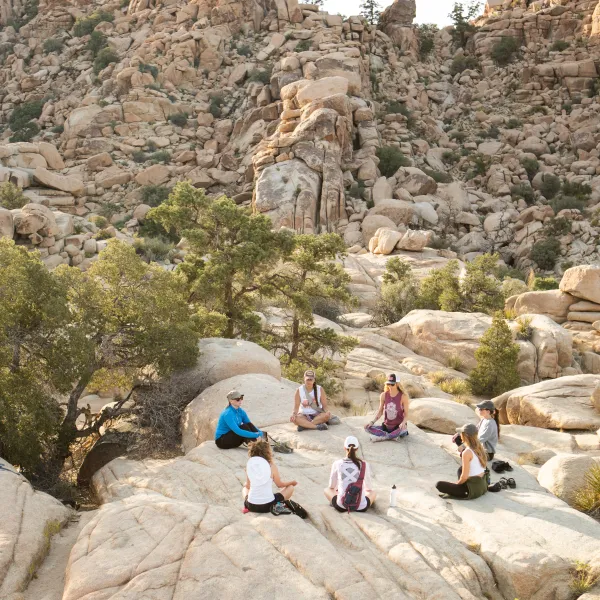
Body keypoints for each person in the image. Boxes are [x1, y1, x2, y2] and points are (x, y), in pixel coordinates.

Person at [243, 437, 297, 514]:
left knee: (244, 489)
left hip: (251, 505)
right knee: (290, 488)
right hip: (268, 506)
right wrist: (292, 482)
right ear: (267, 452)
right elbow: (280, 485)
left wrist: (245, 484)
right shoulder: (271, 466)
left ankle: (246, 507)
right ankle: (278, 506)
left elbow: (248, 486)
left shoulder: (250, 465)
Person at [436, 423, 488, 500]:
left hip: (471, 490)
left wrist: (457, 484)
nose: (460, 435)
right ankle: (463, 487)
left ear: (465, 436)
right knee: (461, 469)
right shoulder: (480, 447)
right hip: (482, 485)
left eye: (461, 433)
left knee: (439, 485)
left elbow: (464, 477)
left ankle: (462, 488)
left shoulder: (467, 452)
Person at [324, 436, 376, 512]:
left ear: (344, 448)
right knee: (373, 492)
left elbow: (331, 486)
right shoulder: (364, 464)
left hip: (341, 506)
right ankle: (360, 502)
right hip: (361, 507)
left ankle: (338, 501)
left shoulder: (337, 463)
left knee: (327, 489)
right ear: (357, 448)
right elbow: (369, 487)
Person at [364, 373, 409, 441]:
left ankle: (383, 437)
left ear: (397, 384)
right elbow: (380, 412)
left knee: (403, 430)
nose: (390, 386)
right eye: (388, 384)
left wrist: (403, 423)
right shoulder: (383, 395)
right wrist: (372, 422)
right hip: (386, 427)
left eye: (392, 384)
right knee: (367, 428)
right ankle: (391, 436)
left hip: (398, 427)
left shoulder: (403, 396)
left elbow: (406, 414)